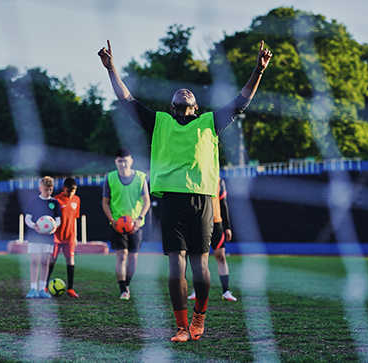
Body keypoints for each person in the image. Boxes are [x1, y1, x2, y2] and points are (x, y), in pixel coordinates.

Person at [98, 39, 272, 341]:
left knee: (200, 264)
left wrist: (258, 70)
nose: (184, 91)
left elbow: (241, 101)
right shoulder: (160, 122)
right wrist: (112, 69)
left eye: (189, 93)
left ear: (195, 106)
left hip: (204, 201)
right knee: (176, 263)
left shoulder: (209, 122)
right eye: (179, 93)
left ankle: (199, 318)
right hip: (172, 202)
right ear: (173, 105)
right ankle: (180, 327)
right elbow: (126, 101)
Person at [102, 148, 151, 300]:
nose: (123, 164)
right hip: (117, 224)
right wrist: (112, 220)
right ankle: (123, 289)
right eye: (119, 161)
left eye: (125, 160)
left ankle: (127, 284)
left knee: (133, 257)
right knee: (121, 256)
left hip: (136, 225)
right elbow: (105, 203)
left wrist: (139, 218)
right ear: (116, 162)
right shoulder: (109, 178)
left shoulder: (141, 177)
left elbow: (146, 201)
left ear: (131, 161)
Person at [188, 177, 237, 301]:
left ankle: (226, 291)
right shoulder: (198, 178)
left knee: (221, 256)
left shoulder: (219, 181)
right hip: (200, 223)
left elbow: (223, 203)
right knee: (199, 259)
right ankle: (196, 290)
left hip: (217, 223)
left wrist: (228, 227)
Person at [24, 176, 61, 298]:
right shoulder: (34, 201)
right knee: (34, 261)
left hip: (48, 238)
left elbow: (58, 220)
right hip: (35, 236)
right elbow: (27, 218)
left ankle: (42, 290)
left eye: (50, 189)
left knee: (45, 262)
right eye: (46, 189)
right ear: (40, 188)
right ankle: (33, 289)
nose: (48, 192)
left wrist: (54, 227)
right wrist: (34, 226)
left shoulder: (54, 203)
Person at [46, 177, 81, 298]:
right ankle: (45, 286)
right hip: (56, 236)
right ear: (63, 189)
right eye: (68, 190)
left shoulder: (77, 200)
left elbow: (75, 218)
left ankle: (70, 289)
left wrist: (75, 236)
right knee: (52, 260)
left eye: (73, 191)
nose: (71, 193)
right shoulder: (56, 200)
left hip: (70, 236)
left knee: (70, 261)